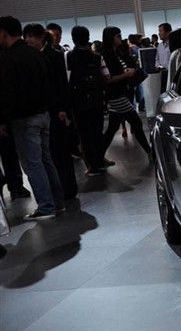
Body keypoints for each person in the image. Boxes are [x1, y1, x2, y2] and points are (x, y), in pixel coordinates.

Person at [0, 16, 65, 220]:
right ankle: (58, 202)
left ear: (4, 32)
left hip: (24, 118)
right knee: (46, 160)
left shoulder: (9, 58)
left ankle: (46, 206)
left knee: (32, 164)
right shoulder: (36, 53)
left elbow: (8, 92)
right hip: (43, 114)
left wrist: (3, 119)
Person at [22, 23, 78, 200]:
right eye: (26, 36)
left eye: (31, 36)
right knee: (49, 153)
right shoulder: (32, 56)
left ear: (41, 37)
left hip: (56, 109)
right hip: (43, 109)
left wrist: (63, 109)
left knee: (60, 150)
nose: (28, 40)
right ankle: (58, 189)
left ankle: (68, 189)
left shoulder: (54, 55)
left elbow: (62, 84)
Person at [99, 27, 151, 159]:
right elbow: (108, 79)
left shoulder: (115, 52)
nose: (120, 38)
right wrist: (126, 74)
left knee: (113, 127)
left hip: (119, 93)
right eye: (118, 36)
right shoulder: (107, 55)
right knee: (136, 122)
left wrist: (126, 72)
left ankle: (98, 158)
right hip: (116, 95)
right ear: (111, 38)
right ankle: (150, 153)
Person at [67, 26, 107, 176]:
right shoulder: (97, 57)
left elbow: (67, 80)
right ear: (88, 37)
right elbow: (106, 76)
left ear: (73, 39)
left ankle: (92, 166)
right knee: (97, 132)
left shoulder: (68, 56)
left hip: (78, 101)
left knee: (84, 135)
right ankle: (100, 161)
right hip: (97, 99)